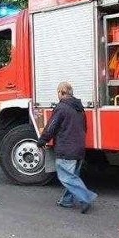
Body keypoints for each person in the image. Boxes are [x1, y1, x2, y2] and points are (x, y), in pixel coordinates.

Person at [38, 82, 97, 213]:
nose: (57, 95)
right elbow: (84, 128)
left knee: (66, 177)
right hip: (79, 149)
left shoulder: (61, 107)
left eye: (58, 92)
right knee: (73, 176)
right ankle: (67, 200)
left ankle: (86, 197)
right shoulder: (79, 108)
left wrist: (42, 141)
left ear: (62, 93)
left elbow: (51, 127)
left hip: (66, 149)